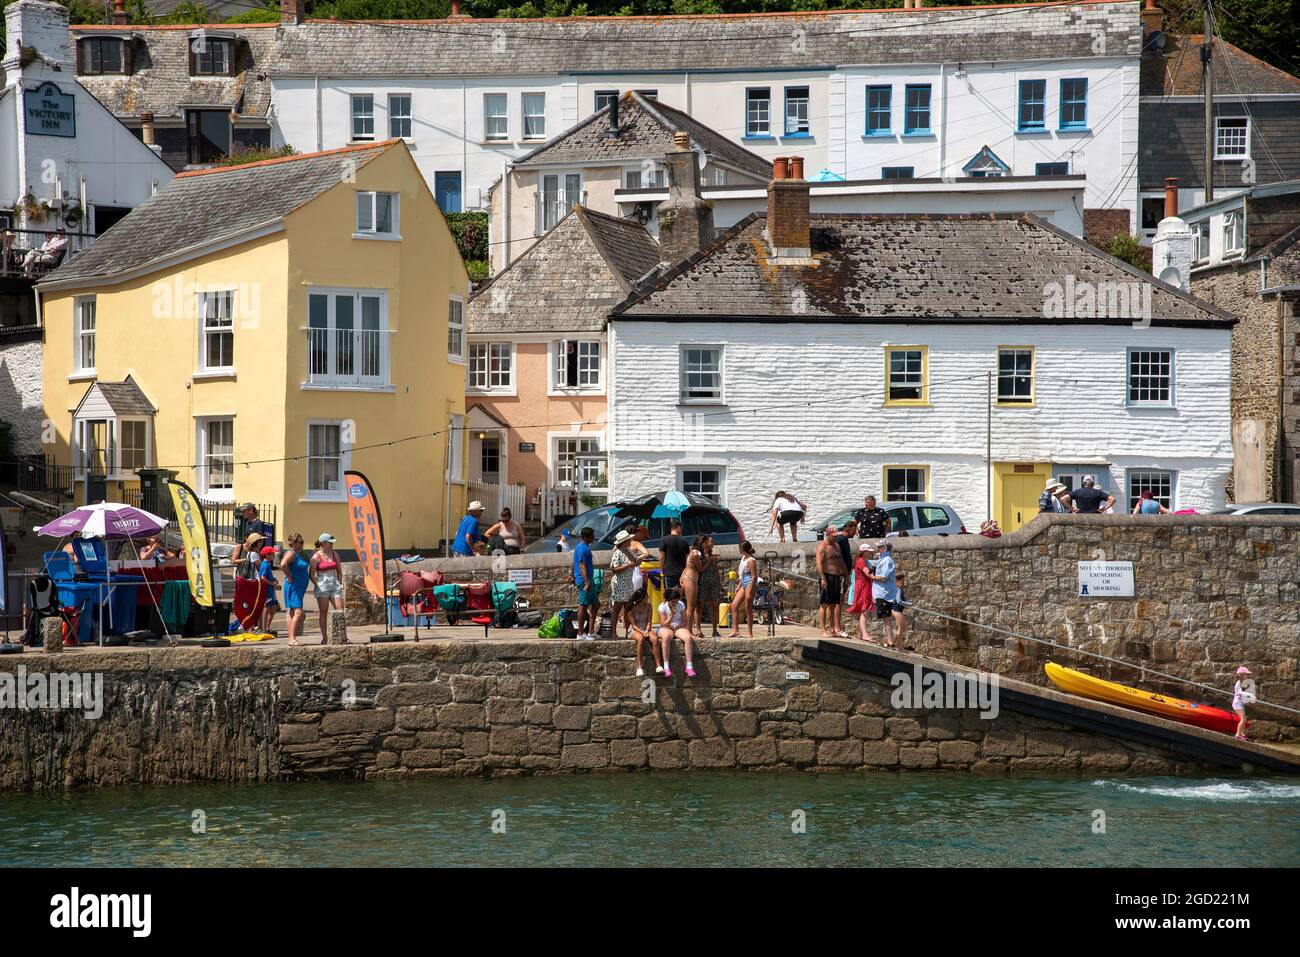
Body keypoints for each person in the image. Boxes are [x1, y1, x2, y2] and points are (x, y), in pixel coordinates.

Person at [868, 541, 907, 650]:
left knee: (886, 618)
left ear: (884, 548)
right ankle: (890, 641)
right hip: (882, 592)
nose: (877, 549)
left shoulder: (887, 560)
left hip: (884, 593)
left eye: (879, 547)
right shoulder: (883, 559)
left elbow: (883, 577)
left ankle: (890, 642)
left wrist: (872, 577)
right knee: (885, 618)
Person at [816, 524, 849, 638]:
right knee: (824, 604)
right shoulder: (823, 547)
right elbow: (819, 563)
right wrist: (823, 578)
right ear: (828, 535)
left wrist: (846, 575)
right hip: (827, 576)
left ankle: (831, 629)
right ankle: (822, 630)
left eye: (836, 536)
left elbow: (841, 561)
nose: (835, 538)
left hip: (836, 576)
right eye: (833, 536)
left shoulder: (837, 546)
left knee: (833, 605)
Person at [310, 533, 344, 641]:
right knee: (323, 611)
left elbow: (339, 571)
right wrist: (318, 584)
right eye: (330, 543)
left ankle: (342, 636)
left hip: (334, 582)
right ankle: (325, 637)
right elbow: (311, 574)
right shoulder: (316, 557)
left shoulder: (334, 554)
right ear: (323, 543)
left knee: (340, 610)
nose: (332, 545)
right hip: (322, 583)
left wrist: (339, 582)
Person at [657, 586, 695, 678]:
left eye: (676, 601)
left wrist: (677, 627)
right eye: (673, 601)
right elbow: (663, 623)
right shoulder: (662, 606)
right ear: (668, 599)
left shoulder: (681, 605)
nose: (675, 603)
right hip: (665, 627)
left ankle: (689, 666)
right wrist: (672, 615)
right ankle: (666, 667)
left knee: (688, 638)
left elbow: (684, 621)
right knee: (666, 637)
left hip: (678, 626)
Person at [281, 534, 311, 646]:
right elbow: (283, 564)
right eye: (300, 541)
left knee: (292, 612)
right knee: (298, 612)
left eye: (302, 541)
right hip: (293, 587)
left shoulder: (298, 554)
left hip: (298, 587)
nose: (302, 543)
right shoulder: (291, 553)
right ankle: (292, 638)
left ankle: (291, 638)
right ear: (293, 543)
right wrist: (289, 576)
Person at [608, 529, 639, 638]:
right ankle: (613, 633)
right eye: (628, 540)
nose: (630, 541)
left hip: (628, 583)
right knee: (616, 609)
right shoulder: (617, 553)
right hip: (620, 583)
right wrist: (628, 565)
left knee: (628, 608)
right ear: (624, 542)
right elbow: (614, 569)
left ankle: (627, 633)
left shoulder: (628, 551)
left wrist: (636, 562)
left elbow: (634, 561)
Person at [627, 587, 663, 678]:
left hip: (646, 628)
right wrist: (643, 632)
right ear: (642, 598)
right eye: (646, 596)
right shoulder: (631, 608)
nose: (648, 597)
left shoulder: (649, 606)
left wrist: (647, 630)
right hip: (635, 629)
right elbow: (633, 625)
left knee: (655, 639)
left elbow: (649, 622)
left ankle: (658, 665)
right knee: (641, 639)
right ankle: (639, 666)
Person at [726, 540, 758, 639]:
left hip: (750, 582)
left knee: (747, 608)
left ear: (743, 549)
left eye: (740, 548)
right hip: (744, 582)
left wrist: (751, 587)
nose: (739, 549)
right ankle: (736, 631)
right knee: (734, 605)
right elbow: (742, 574)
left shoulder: (751, 560)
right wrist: (739, 586)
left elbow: (754, 576)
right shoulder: (743, 558)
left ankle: (750, 633)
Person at [572, 526, 599, 639]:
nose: (594, 537)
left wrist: (571, 575)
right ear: (586, 537)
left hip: (586, 580)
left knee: (596, 605)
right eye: (592, 535)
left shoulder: (579, 547)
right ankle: (580, 633)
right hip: (584, 581)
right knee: (583, 606)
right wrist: (587, 582)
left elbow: (574, 563)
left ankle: (591, 632)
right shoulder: (584, 549)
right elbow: (582, 566)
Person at [695, 534, 723, 639]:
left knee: (715, 605)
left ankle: (715, 630)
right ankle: (698, 630)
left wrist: (719, 583)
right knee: (700, 606)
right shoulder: (699, 554)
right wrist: (708, 561)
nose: (713, 543)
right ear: (705, 542)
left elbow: (716, 569)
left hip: (714, 581)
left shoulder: (714, 554)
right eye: (711, 541)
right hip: (703, 581)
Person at [849, 542, 877, 641]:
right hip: (863, 587)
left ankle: (862, 634)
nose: (870, 554)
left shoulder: (863, 561)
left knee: (865, 610)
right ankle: (864, 634)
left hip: (864, 586)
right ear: (864, 552)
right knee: (865, 610)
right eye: (869, 552)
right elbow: (868, 573)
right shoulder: (861, 561)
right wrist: (878, 577)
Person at [659, 518, 690, 589]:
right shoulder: (684, 541)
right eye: (681, 528)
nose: (681, 530)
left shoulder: (664, 540)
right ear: (678, 527)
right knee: (681, 594)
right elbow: (687, 559)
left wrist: (662, 570)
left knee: (671, 595)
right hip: (682, 573)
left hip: (669, 572)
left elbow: (661, 558)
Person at [258, 545, 280, 632]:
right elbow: (262, 578)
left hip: (270, 590)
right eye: (272, 554)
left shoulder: (267, 565)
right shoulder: (265, 565)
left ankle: (267, 626)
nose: (274, 556)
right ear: (267, 555)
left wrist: (273, 579)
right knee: (267, 609)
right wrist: (272, 583)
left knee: (274, 607)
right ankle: (264, 628)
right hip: (267, 590)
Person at [1232, 666, 1255, 740]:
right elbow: (1239, 692)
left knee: (1244, 719)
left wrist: (1250, 697)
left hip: (1239, 703)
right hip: (1237, 703)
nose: (1247, 676)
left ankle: (1242, 734)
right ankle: (1237, 734)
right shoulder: (1238, 682)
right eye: (1246, 674)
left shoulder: (1242, 682)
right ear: (1241, 675)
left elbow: (1243, 693)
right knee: (1243, 719)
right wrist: (1248, 695)